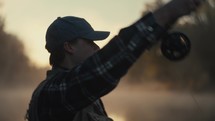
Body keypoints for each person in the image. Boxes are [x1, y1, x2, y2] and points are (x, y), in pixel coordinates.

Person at [26, 0, 205, 121]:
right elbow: (104, 67)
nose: (96, 47)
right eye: (90, 42)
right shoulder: (51, 93)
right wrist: (169, 12)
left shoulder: (84, 95)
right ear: (69, 47)